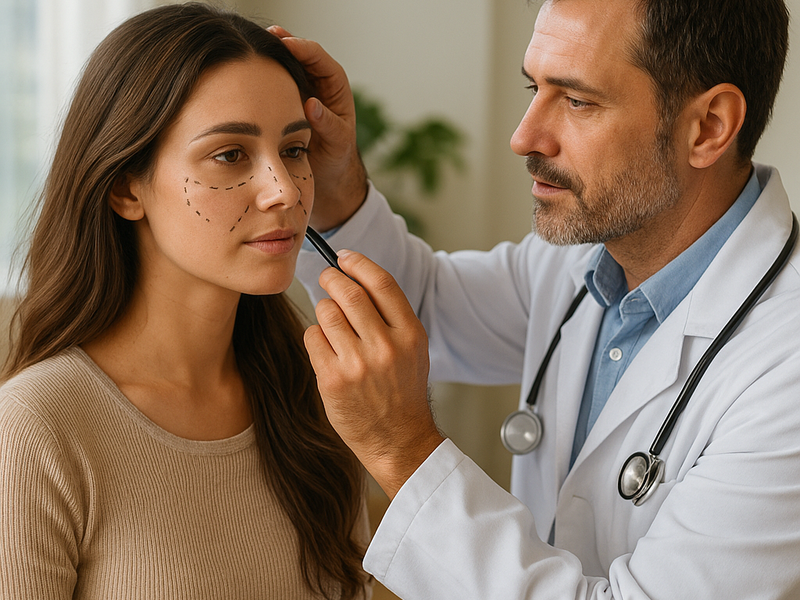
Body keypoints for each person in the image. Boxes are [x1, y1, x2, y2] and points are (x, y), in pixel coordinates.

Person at [276, 0, 800, 597]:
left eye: (577, 100)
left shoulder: (785, 368)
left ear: (707, 126)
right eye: (535, 86)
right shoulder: (581, 258)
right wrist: (337, 186)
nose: (524, 136)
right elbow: (422, 311)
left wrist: (404, 453)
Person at [0, 4, 372, 598]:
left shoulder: (317, 399)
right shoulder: (35, 429)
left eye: (295, 150)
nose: (282, 190)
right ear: (126, 187)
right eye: (230, 154)